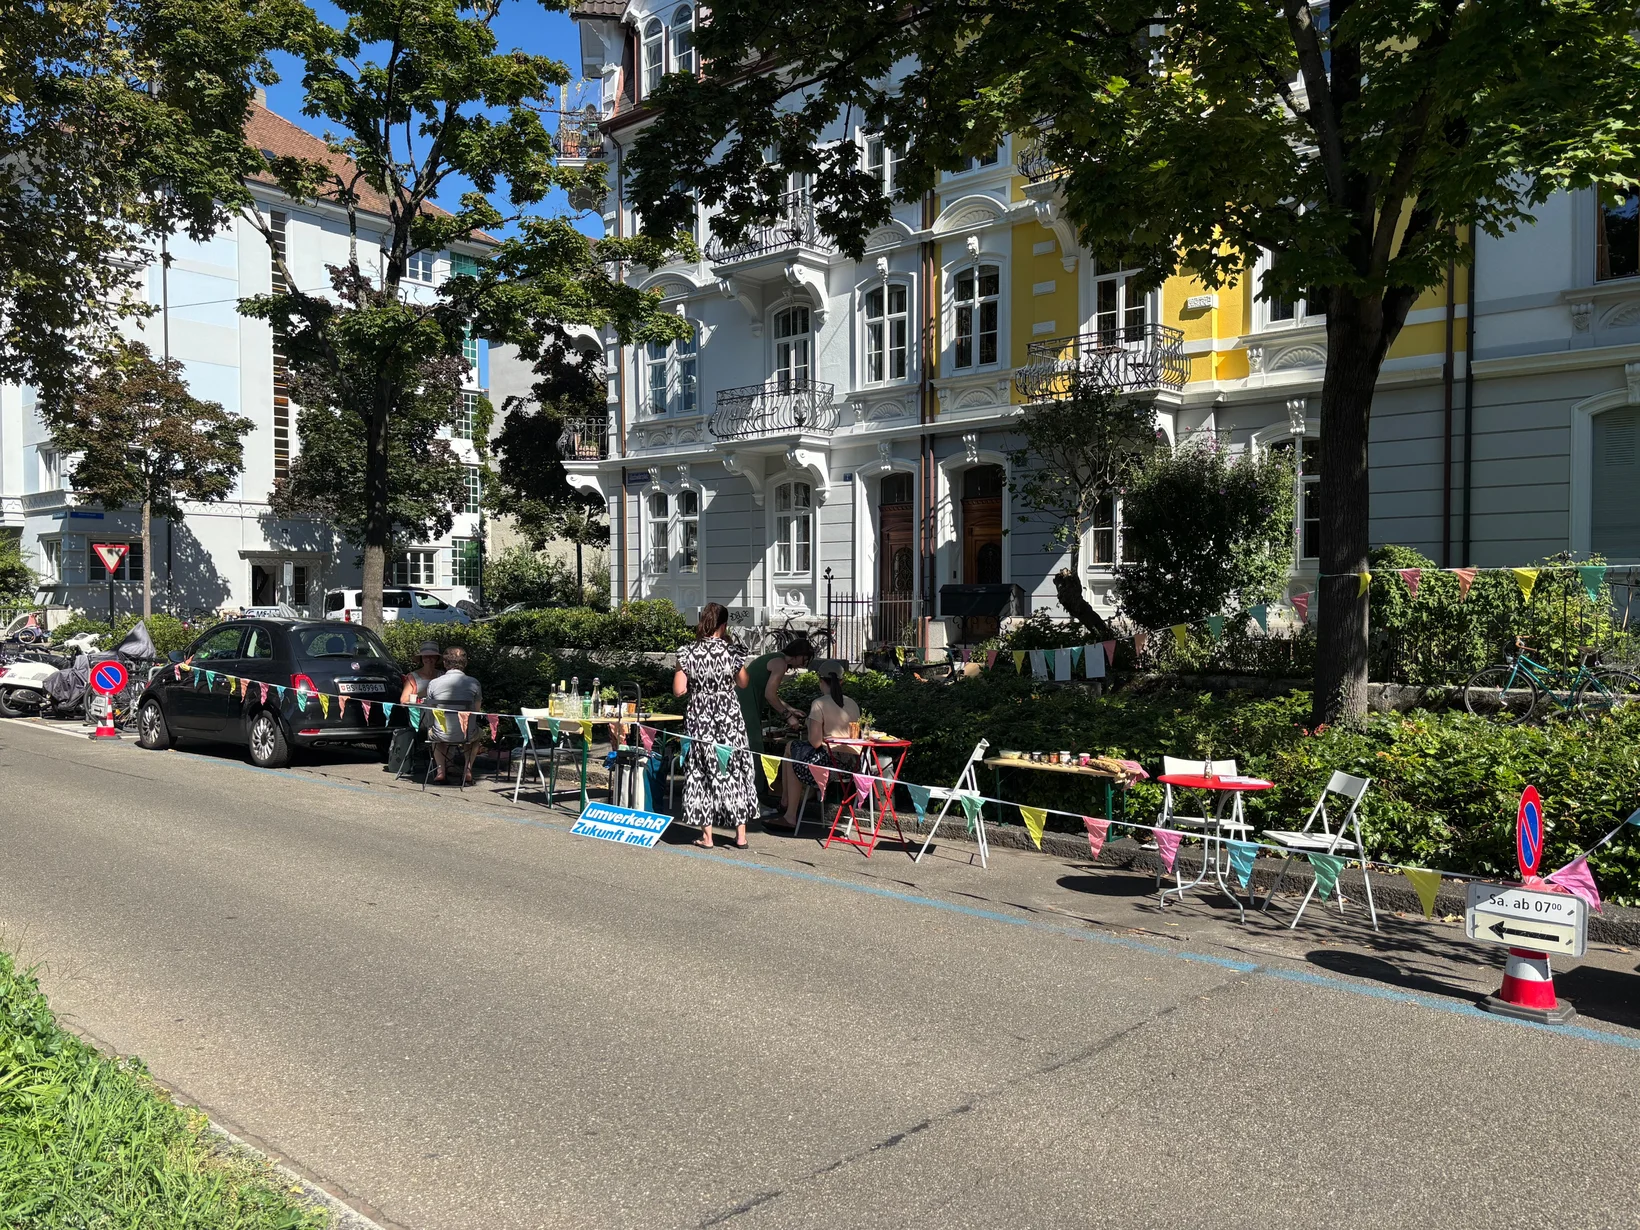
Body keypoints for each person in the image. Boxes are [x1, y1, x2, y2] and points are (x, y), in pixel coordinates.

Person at [673, 602, 758, 849]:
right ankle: (740, 836)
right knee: (735, 769)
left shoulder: (687, 653)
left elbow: (679, 690)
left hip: (699, 720)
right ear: (724, 624)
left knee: (701, 772)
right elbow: (743, 682)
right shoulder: (731, 652)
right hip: (729, 719)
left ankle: (707, 837)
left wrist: (696, 685)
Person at [772, 660, 862, 832]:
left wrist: (808, 725)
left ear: (821, 681)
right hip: (853, 765)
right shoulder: (852, 703)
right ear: (841, 681)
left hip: (829, 765)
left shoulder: (819, 703)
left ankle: (789, 811)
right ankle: (785, 804)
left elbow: (815, 742)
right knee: (794, 751)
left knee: (792, 748)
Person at [737, 638, 814, 758]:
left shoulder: (775, 657)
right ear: (798, 654)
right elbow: (770, 695)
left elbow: (769, 693)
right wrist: (788, 717)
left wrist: (791, 709)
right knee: (753, 746)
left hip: (742, 702)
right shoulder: (780, 663)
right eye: (804, 659)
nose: (803, 664)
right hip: (746, 706)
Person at [425, 645, 485, 785]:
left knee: (436, 736)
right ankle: (468, 770)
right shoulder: (474, 683)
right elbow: (476, 711)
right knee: (476, 736)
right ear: (465, 663)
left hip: (441, 733)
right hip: (466, 734)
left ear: (445, 663)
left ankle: (440, 771)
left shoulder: (433, 683)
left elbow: (431, 711)